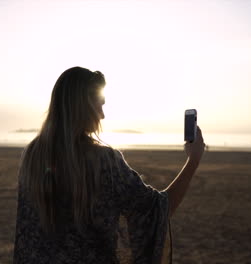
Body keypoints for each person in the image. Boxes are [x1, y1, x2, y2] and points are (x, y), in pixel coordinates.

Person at [13, 66, 205, 263]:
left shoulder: (32, 156)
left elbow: (25, 234)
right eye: (100, 105)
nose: (102, 115)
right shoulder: (104, 161)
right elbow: (157, 210)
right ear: (83, 105)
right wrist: (193, 160)